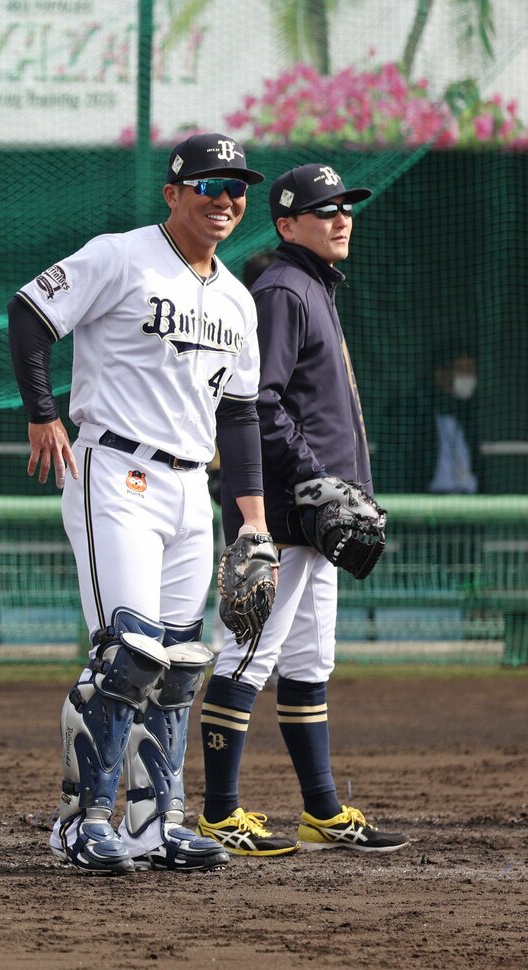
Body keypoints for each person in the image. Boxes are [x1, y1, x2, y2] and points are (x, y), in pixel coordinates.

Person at [8, 132, 272, 875]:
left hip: (192, 488)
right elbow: (29, 312)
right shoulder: (121, 256)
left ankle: (156, 823)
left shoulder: (237, 299)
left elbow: (240, 415)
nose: (225, 200)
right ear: (173, 193)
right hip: (116, 469)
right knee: (126, 654)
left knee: (180, 664)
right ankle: (81, 821)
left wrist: (253, 521)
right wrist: (42, 412)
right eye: (209, 185)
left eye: (236, 188)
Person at [196, 163, 408, 856]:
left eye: (346, 207)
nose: (341, 218)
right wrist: (316, 479)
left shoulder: (313, 285)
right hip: (284, 516)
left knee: (311, 661)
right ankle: (219, 813)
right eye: (325, 210)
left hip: (314, 518)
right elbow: (259, 401)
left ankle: (322, 811)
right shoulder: (284, 289)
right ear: (287, 224)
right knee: (248, 657)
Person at [426, 352, 479, 494]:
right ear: (440, 375)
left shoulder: (469, 420)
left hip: (467, 499)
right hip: (430, 499)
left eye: (471, 372)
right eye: (462, 370)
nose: (468, 378)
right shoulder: (419, 417)